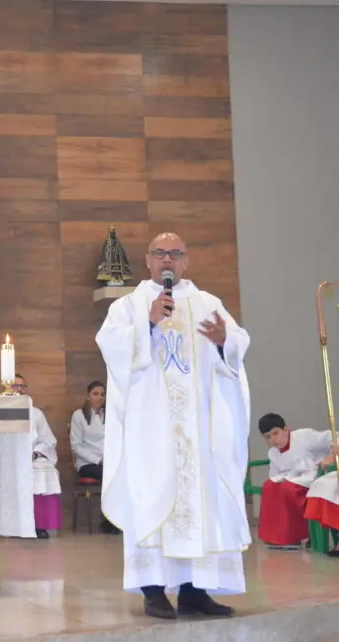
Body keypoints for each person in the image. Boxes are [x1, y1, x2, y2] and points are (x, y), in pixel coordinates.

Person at [96, 232, 250, 620]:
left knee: (201, 504)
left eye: (175, 254)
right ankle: (153, 590)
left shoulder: (207, 303)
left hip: (198, 432)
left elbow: (237, 344)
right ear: (148, 261)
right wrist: (146, 325)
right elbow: (111, 348)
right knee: (151, 497)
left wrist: (224, 340)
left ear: (186, 261)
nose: (168, 259)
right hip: (151, 429)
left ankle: (195, 591)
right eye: (160, 253)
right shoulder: (129, 306)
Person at [257, 413, 338, 548]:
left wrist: (331, 456)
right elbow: (275, 475)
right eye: (268, 437)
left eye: (275, 433)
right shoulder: (273, 453)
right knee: (269, 486)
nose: (273, 440)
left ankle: (304, 533)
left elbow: (335, 437)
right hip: (293, 480)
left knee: (288, 488)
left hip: (316, 476)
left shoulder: (304, 437)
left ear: (286, 429)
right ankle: (280, 538)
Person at [13, 375, 62, 539]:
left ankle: (38, 525)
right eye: (14, 386)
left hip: (32, 456)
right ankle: (15, 525)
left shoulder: (36, 413)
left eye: (22, 386)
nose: (19, 390)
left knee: (43, 471)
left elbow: (48, 439)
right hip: (10, 458)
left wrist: (35, 452)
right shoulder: (1, 413)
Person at [69, 380, 119, 534]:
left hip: (108, 461)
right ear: (88, 396)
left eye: (102, 394)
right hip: (87, 464)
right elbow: (75, 445)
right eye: (95, 394)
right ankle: (108, 521)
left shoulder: (109, 415)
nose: (99, 397)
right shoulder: (79, 415)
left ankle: (117, 518)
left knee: (120, 476)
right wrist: (98, 460)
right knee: (107, 476)